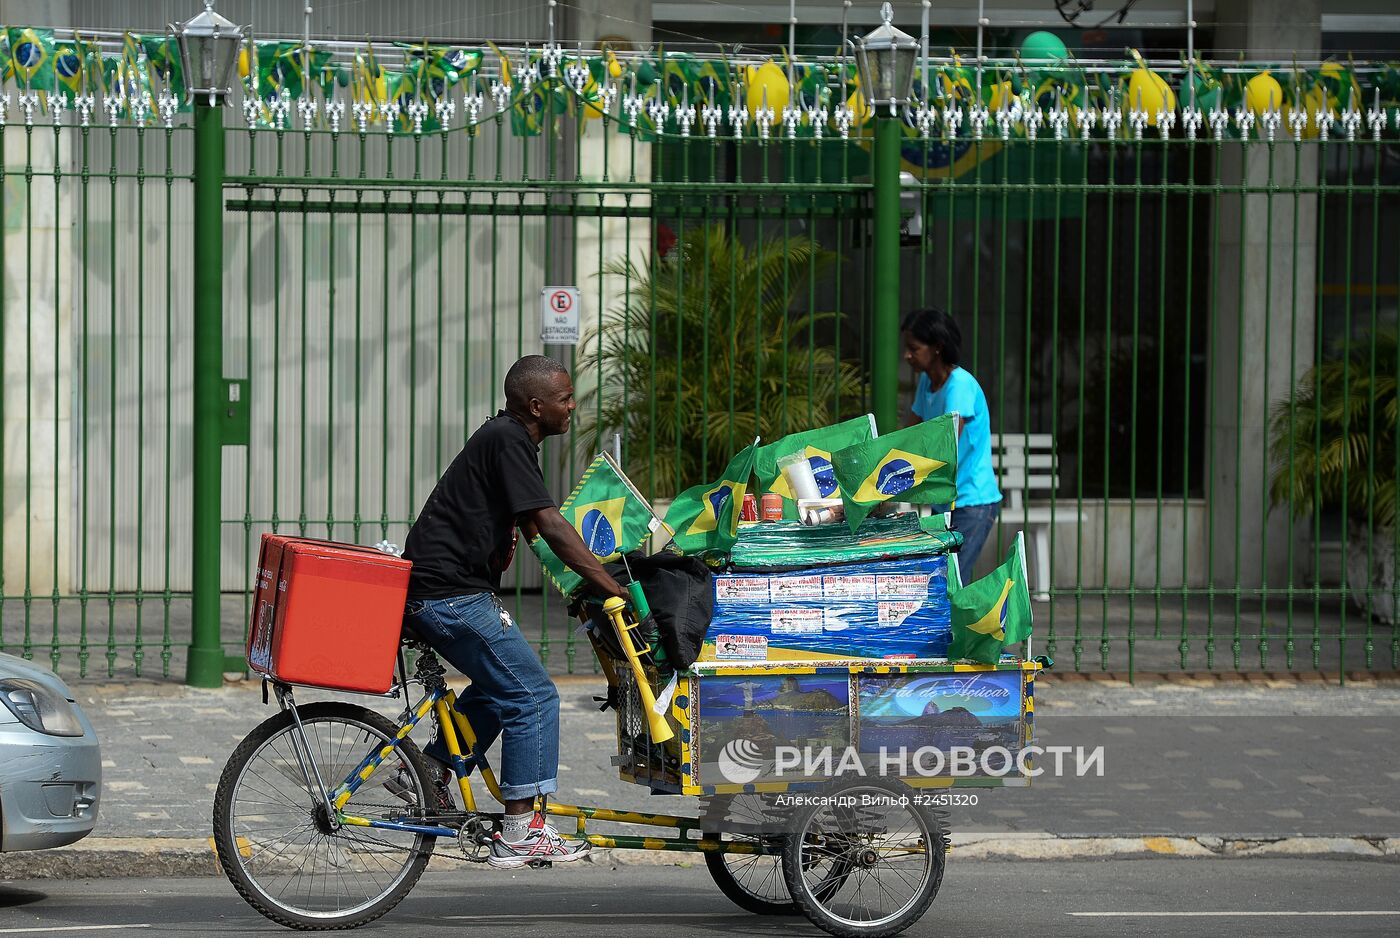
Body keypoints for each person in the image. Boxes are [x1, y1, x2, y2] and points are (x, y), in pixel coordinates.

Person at [401, 354, 627, 869]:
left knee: (504, 687)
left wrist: (579, 585)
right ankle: (522, 828)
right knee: (533, 695)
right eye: (565, 398)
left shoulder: (510, 440)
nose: (572, 407)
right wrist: (608, 584)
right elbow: (548, 523)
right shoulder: (507, 440)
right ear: (535, 404)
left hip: (441, 590)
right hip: (448, 595)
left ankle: (433, 770)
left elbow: (531, 528)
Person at [901, 307, 1003, 572]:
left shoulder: (960, 386)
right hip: (944, 501)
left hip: (971, 503)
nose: (907, 355)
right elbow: (909, 436)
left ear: (937, 347)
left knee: (951, 580)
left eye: (914, 348)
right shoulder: (927, 381)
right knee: (939, 581)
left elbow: (946, 449)